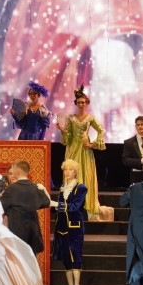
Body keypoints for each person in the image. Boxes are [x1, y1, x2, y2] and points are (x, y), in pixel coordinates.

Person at [57, 87, 106, 219]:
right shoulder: (71, 118)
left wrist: (93, 144)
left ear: (87, 103)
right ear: (76, 104)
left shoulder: (90, 118)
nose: (81, 104)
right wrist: (62, 130)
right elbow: (68, 137)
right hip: (73, 150)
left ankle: (86, 206)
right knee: (71, 174)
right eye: (79, 102)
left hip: (85, 150)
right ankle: (70, 205)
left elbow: (101, 130)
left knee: (86, 175)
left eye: (83, 102)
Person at [0, 160, 52, 258]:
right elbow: (46, 202)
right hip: (33, 231)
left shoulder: (12, 189)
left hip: (17, 230)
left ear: (18, 172)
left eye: (13, 170)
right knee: (31, 260)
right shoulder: (34, 187)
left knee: (18, 262)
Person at [52, 158, 89, 285]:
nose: (67, 172)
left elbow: (75, 206)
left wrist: (57, 205)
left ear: (75, 172)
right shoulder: (63, 187)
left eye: (70, 169)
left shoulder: (81, 188)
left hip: (74, 226)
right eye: (65, 169)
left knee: (75, 253)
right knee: (66, 255)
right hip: (61, 226)